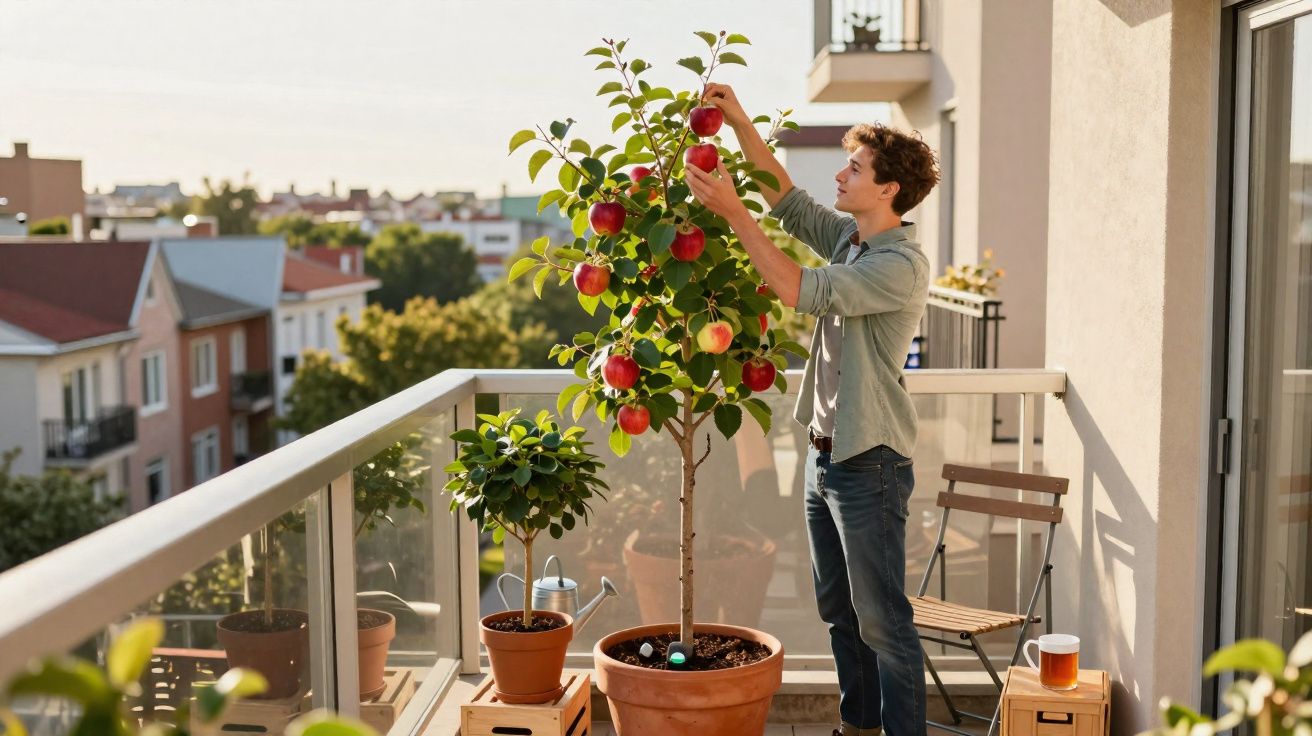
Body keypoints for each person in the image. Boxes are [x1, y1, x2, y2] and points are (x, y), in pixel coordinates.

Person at [685, 82, 940, 736]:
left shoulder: (899, 264)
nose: (840, 172)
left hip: (869, 464)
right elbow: (787, 201)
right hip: (824, 459)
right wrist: (739, 119)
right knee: (838, 610)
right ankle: (860, 727)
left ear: (888, 190)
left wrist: (733, 212)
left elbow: (798, 289)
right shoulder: (853, 240)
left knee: (884, 621)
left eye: (854, 167)